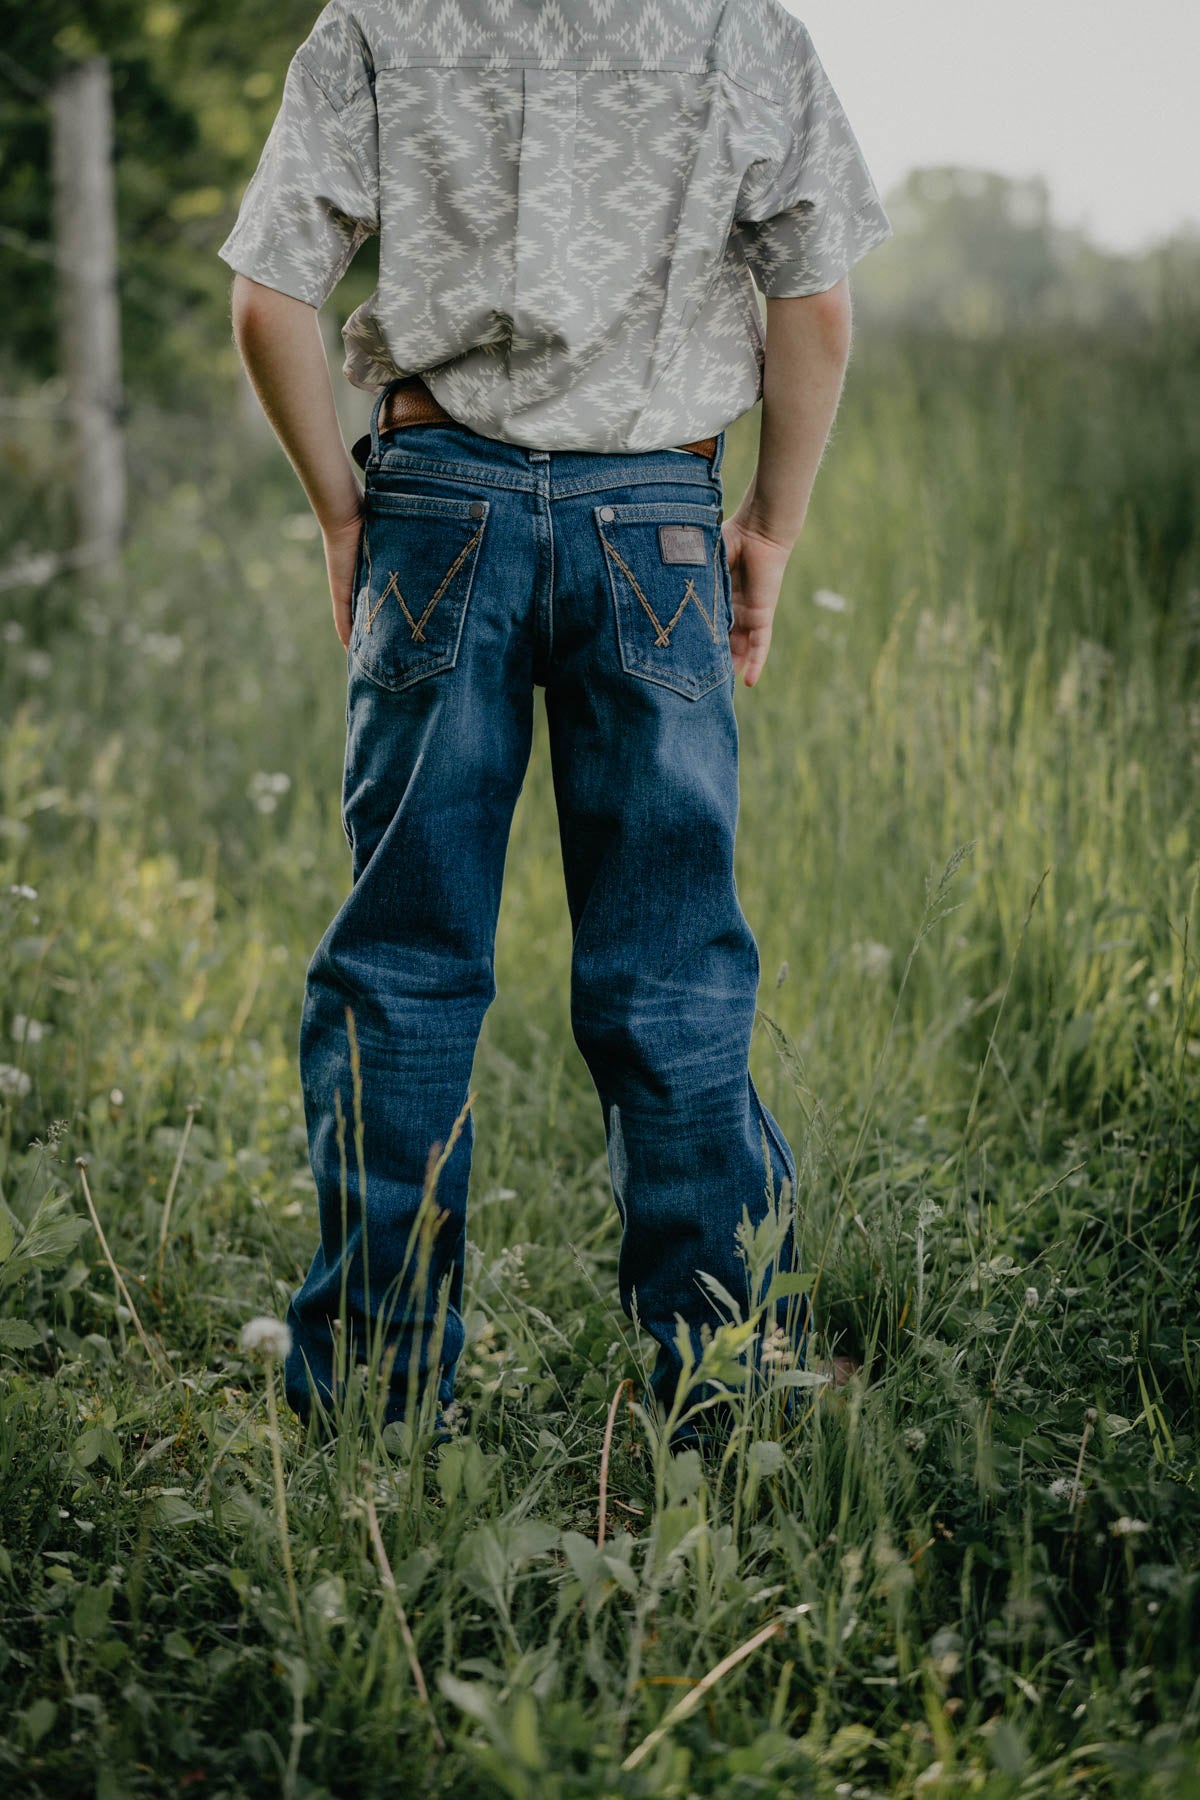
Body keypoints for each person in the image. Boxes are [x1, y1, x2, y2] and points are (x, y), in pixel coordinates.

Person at [219, 0, 892, 1443]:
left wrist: (343, 515)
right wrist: (769, 525)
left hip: (436, 504)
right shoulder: (736, 27)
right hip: (654, 515)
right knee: (673, 967)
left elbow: (269, 296)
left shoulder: (381, 21)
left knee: (402, 959)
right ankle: (718, 1385)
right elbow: (815, 302)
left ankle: (377, 1397)